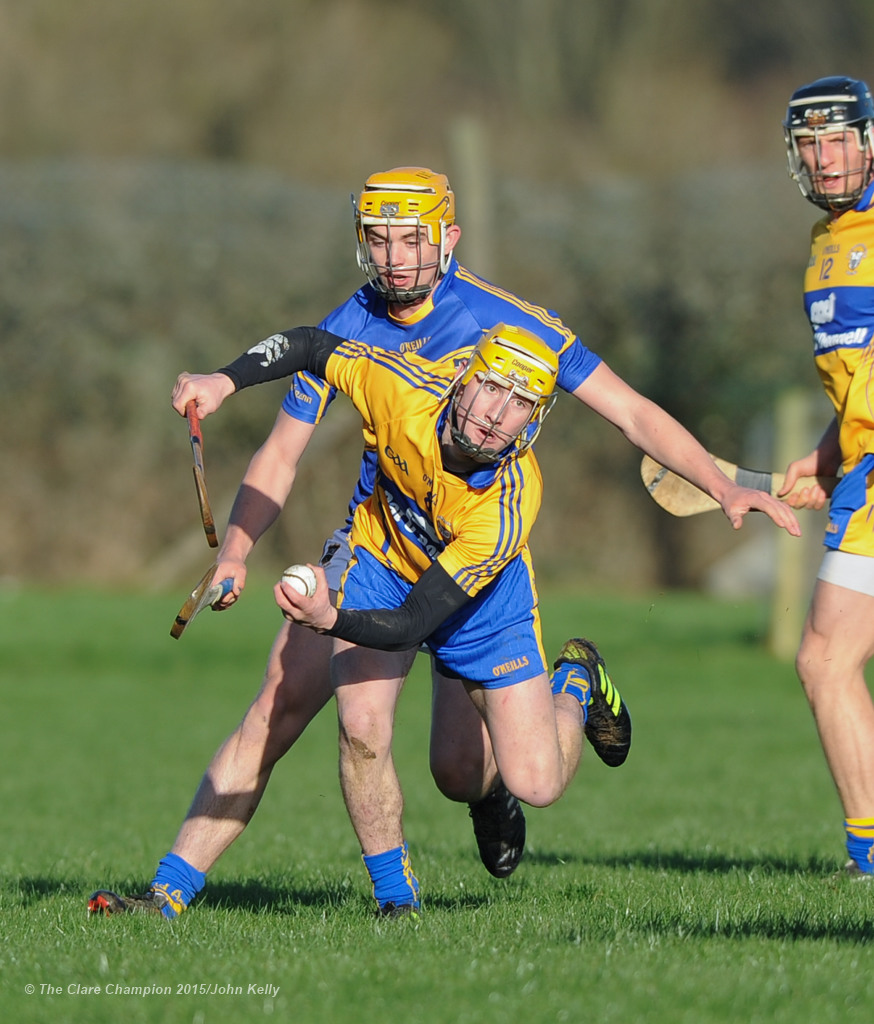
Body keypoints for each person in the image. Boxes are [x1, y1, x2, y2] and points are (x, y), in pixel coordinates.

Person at [89, 167, 799, 918]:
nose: (394, 257)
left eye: (412, 239)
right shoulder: (361, 340)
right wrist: (233, 521)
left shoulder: (511, 329)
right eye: (378, 239)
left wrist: (723, 485)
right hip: (379, 546)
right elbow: (280, 451)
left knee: (479, 774)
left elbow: (629, 411)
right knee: (292, 702)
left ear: (449, 239)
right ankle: (177, 894)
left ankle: (572, 685)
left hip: (475, 566)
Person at [779, 75, 874, 879]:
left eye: (838, 138)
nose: (823, 156)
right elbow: (855, 383)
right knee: (828, 658)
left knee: (826, 658)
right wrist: (826, 453)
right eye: (810, 143)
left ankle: (869, 852)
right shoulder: (824, 245)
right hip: (863, 462)